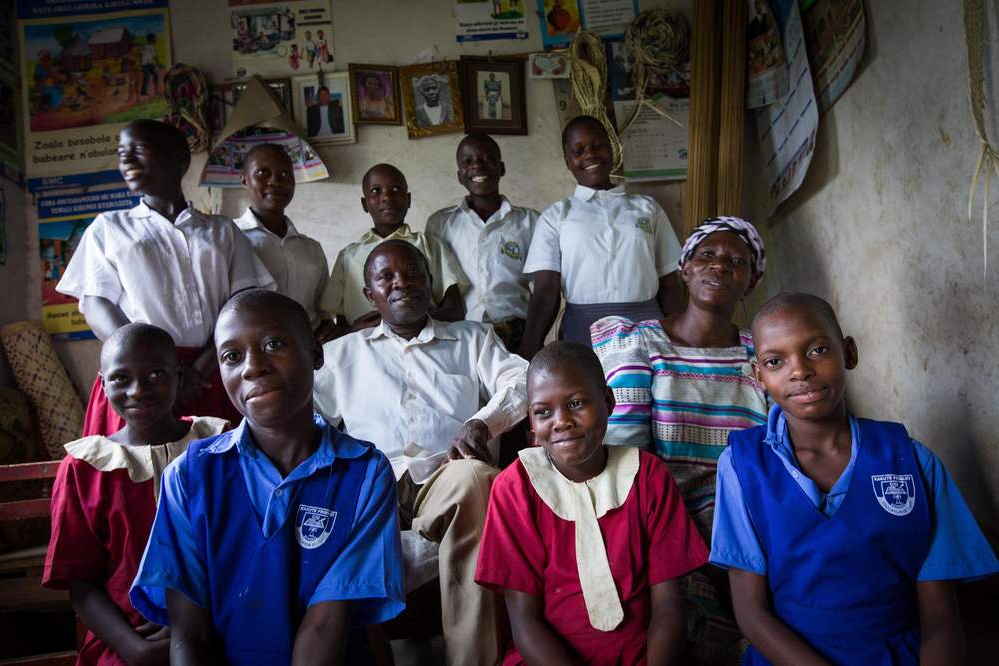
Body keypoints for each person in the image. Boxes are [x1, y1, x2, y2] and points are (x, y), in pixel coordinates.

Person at [712, 292, 999, 664]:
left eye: (817, 350)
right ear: (759, 376)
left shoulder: (910, 460)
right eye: (775, 361)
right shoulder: (742, 466)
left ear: (848, 352)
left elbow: (941, 616)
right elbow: (751, 614)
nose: (799, 370)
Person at [130, 290, 405, 664]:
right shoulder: (189, 477)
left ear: (316, 353)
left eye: (274, 344)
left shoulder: (363, 473)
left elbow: (325, 625)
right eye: (231, 356)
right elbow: (189, 634)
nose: (252, 367)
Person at [314, 239, 528, 666]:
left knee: (477, 478)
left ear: (429, 283)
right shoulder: (340, 355)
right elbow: (307, 419)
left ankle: (471, 661)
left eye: (412, 274)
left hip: (443, 478)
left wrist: (482, 423)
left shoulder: (473, 339)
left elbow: (522, 380)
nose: (401, 284)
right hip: (370, 487)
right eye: (386, 277)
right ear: (368, 294)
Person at [591, 216, 768, 665]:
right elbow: (626, 456)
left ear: (751, 280)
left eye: (737, 261)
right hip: (656, 503)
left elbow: (776, 455)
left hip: (741, 510)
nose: (721, 266)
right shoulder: (640, 345)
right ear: (684, 268)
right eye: (706, 255)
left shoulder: (762, 357)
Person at [475, 341, 708, 664]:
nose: (561, 421)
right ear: (530, 422)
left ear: (608, 401)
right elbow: (524, 620)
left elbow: (669, 605)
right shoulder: (514, 489)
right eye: (544, 412)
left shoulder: (648, 476)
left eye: (576, 403)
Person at [56, 119, 274, 435]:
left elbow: (242, 305)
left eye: (139, 150)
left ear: (178, 159)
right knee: (139, 475)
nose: (126, 161)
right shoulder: (110, 228)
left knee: (214, 467)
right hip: (138, 381)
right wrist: (155, 367)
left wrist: (199, 370)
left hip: (210, 372)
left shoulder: (222, 231)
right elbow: (96, 303)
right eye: (122, 154)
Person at [42, 323, 228, 665]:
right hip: (132, 640)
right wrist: (132, 648)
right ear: (102, 383)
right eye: (120, 379)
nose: (138, 390)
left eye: (156, 373)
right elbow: (80, 583)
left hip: (223, 628)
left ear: (180, 377)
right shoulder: (85, 468)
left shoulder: (218, 445)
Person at [521, 115, 684, 356]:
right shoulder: (556, 215)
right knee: (590, 391)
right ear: (568, 161)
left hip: (647, 327)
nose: (590, 154)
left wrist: (681, 339)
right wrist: (530, 347)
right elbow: (546, 291)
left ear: (611, 149)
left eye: (598, 145)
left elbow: (670, 283)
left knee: (647, 392)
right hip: (583, 329)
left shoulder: (647, 208)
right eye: (579, 150)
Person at [320, 163, 467, 333]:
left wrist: (408, 323)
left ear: (409, 199)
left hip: (424, 340)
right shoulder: (348, 256)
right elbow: (342, 322)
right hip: (366, 348)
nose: (387, 197)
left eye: (396, 189)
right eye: (376, 191)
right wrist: (354, 331)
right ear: (364, 203)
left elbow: (455, 310)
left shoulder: (431, 245)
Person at [426, 133, 537, 353]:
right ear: (459, 176)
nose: (477, 166)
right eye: (468, 162)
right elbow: (434, 284)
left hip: (518, 333)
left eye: (487, 159)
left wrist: (533, 340)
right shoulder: (440, 224)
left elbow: (545, 287)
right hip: (459, 334)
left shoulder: (530, 221)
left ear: (501, 168)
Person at [235, 143, 334, 341]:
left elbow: (323, 312)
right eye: (263, 173)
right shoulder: (230, 239)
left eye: (284, 175)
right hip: (257, 351)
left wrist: (327, 329)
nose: (275, 182)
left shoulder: (311, 248)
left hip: (309, 351)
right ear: (245, 179)